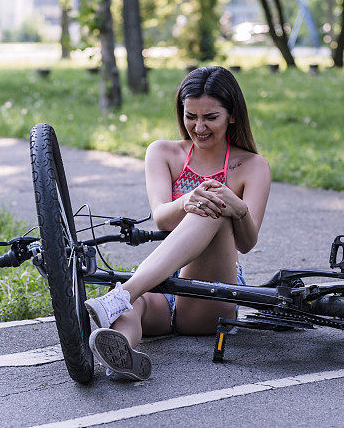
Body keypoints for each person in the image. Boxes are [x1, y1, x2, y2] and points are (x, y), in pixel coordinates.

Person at [85, 66, 271, 380]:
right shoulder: (162, 152)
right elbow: (161, 216)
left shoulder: (252, 165)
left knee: (214, 203)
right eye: (190, 116)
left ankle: (119, 295)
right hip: (161, 275)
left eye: (210, 117)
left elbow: (247, 244)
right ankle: (122, 358)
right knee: (134, 306)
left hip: (211, 286)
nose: (199, 127)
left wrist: (237, 209)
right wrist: (186, 201)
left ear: (232, 116)